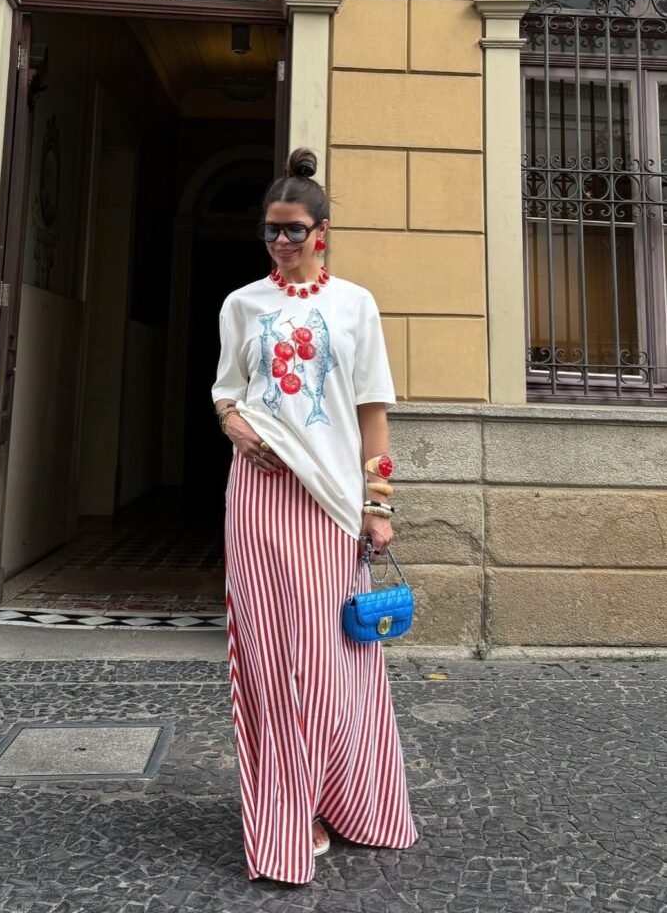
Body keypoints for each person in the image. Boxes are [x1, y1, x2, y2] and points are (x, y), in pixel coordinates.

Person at [212, 147, 418, 884]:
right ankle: (285, 809)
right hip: (259, 499)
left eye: (293, 230)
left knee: (330, 663)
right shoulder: (243, 305)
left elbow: (373, 417)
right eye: (269, 231)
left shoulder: (354, 305)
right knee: (268, 659)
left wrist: (379, 504)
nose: (279, 243)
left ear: (322, 230)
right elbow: (226, 389)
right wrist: (232, 424)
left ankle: (342, 796)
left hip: (329, 501)